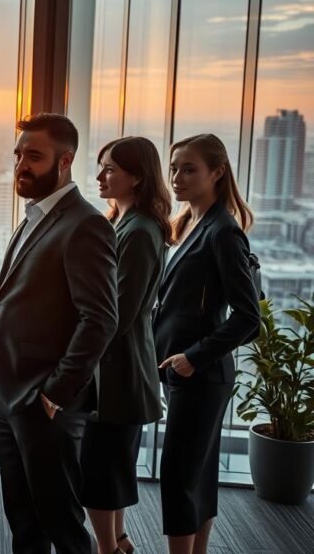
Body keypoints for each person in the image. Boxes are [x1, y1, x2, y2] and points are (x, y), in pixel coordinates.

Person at [0, 113, 118, 554]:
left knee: (62, 525)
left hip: (46, 406)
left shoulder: (85, 224)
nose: (21, 163)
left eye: (33, 156)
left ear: (64, 161)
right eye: (19, 153)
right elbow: (7, 308)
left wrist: (56, 393)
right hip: (9, 398)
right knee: (23, 520)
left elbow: (100, 319)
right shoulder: (32, 218)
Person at [154, 133, 260, 554]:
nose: (177, 176)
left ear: (218, 172)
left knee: (178, 476)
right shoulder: (191, 224)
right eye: (174, 167)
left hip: (200, 375)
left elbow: (249, 319)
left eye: (189, 168)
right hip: (187, 373)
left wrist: (192, 358)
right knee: (198, 474)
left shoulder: (222, 232)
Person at [83, 137, 170, 554]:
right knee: (113, 468)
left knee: (100, 472)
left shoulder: (138, 232)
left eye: (111, 169)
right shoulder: (129, 223)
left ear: (137, 177)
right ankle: (117, 541)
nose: (101, 176)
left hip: (118, 373)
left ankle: (107, 548)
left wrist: (75, 354)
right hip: (119, 370)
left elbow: (118, 312)